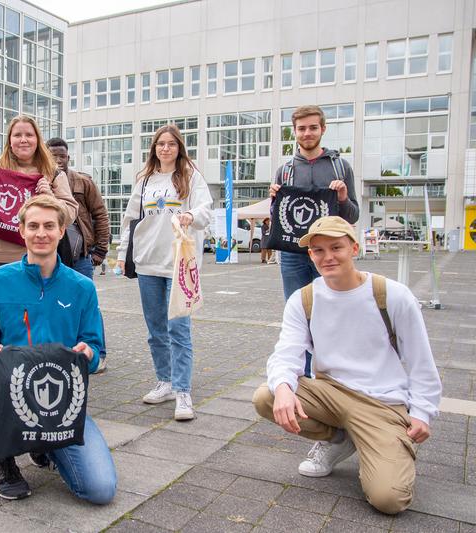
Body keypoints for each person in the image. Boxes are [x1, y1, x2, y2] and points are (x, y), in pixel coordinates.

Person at [252, 216, 441, 515]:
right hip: (331, 392)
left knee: (389, 500)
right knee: (268, 395)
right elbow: (286, 353)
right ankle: (339, 439)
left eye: (336, 247)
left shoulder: (391, 294)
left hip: (381, 403)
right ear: (310, 255)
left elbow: (421, 360)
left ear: (354, 248)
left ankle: (381, 444)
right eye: (318, 250)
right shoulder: (305, 299)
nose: (327, 257)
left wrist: (422, 413)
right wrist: (285, 387)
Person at [0, 195, 116, 503]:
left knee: (100, 490)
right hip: (8, 393)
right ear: (21, 229)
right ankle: (4, 458)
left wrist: (88, 355)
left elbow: (96, 348)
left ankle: (42, 443)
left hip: (61, 404)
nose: (41, 233)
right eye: (33, 225)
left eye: (49, 226)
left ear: (62, 230)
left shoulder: (82, 287)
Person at [116, 124, 212, 421]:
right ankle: (165, 381)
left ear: (179, 147)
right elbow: (131, 219)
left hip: (178, 264)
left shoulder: (190, 176)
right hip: (147, 262)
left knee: (178, 329)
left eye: (171, 144)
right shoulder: (144, 180)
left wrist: (190, 215)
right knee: (156, 328)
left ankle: (183, 390)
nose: (165, 149)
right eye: (160, 144)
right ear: (154, 148)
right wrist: (122, 254)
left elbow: (206, 210)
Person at [0, 115, 78, 297]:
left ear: (38, 140)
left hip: (29, 259)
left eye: (29, 134)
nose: (23, 140)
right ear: (9, 140)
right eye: (17, 135)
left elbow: (69, 215)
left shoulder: (52, 174)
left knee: (25, 318)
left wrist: (50, 197)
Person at [269, 105, 359, 301]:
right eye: (301, 128)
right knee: (296, 308)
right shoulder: (285, 171)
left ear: (323, 129)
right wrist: (275, 201)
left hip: (330, 252)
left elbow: (353, 216)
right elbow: (276, 218)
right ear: (294, 131)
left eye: (313, 127)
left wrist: (343, 198)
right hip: (292, 253)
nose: (307, 133)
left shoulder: (340, 167)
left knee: (333, 306)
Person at [46, 137, 111, 373]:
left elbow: (100, 215)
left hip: (80, 257)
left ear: (68, 157)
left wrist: (100, 250)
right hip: (51, 258)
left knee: (88, 305)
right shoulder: (41, 182)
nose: (58, 160)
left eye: (62, 156)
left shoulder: (83, 182)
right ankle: (62, 352)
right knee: (54, 305)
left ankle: (98, 353)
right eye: (53, 155)